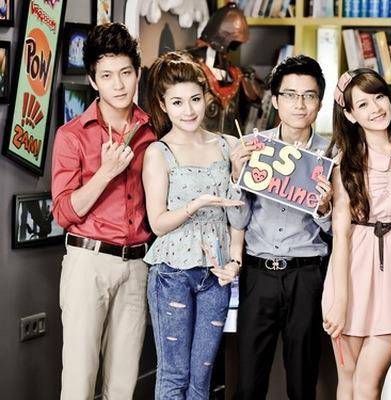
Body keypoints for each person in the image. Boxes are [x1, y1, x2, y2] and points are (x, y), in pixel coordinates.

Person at [51, 23, 156, 399]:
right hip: (88, 263)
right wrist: (106, 172)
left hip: (138, 265)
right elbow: (63, 213)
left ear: (137, 74)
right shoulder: (72, 135)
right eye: (107, 75)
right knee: (79, 381)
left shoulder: (152, 132)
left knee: (123, 385)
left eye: (126, 73)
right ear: (94, 81)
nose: (119, 85)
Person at [142, 51, 248, 398]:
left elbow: (238, 216)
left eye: (195, 99)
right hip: (171, 273)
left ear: (206, 97)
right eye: (177, 102)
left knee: (202, 380)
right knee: (174, 376)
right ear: (163, 105)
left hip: (216, 275)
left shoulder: (228, 145)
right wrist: (196, 205)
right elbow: (158, 224)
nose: (188, 110)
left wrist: (235, 261)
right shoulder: (158, 152)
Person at [232, 55, 333, 400]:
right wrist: (237, 179)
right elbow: (238, 220)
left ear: (320, 102)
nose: (299, 104)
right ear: (275, 100)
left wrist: (324, 207)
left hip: (306, 275)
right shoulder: (253, 147)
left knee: (303, 382)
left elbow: (337, 231)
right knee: (248, 383)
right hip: (258, 273)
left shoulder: (332, 154)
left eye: (309, 95)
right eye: (290, 95)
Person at [322, 68, 391, 399]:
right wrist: (339, 300)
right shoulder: (345, 162)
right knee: (348, 379)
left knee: (369, 382)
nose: (376, 108)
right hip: (352, 269)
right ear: (350, 115)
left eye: (379, 97)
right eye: (363, 104)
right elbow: (340, 232)